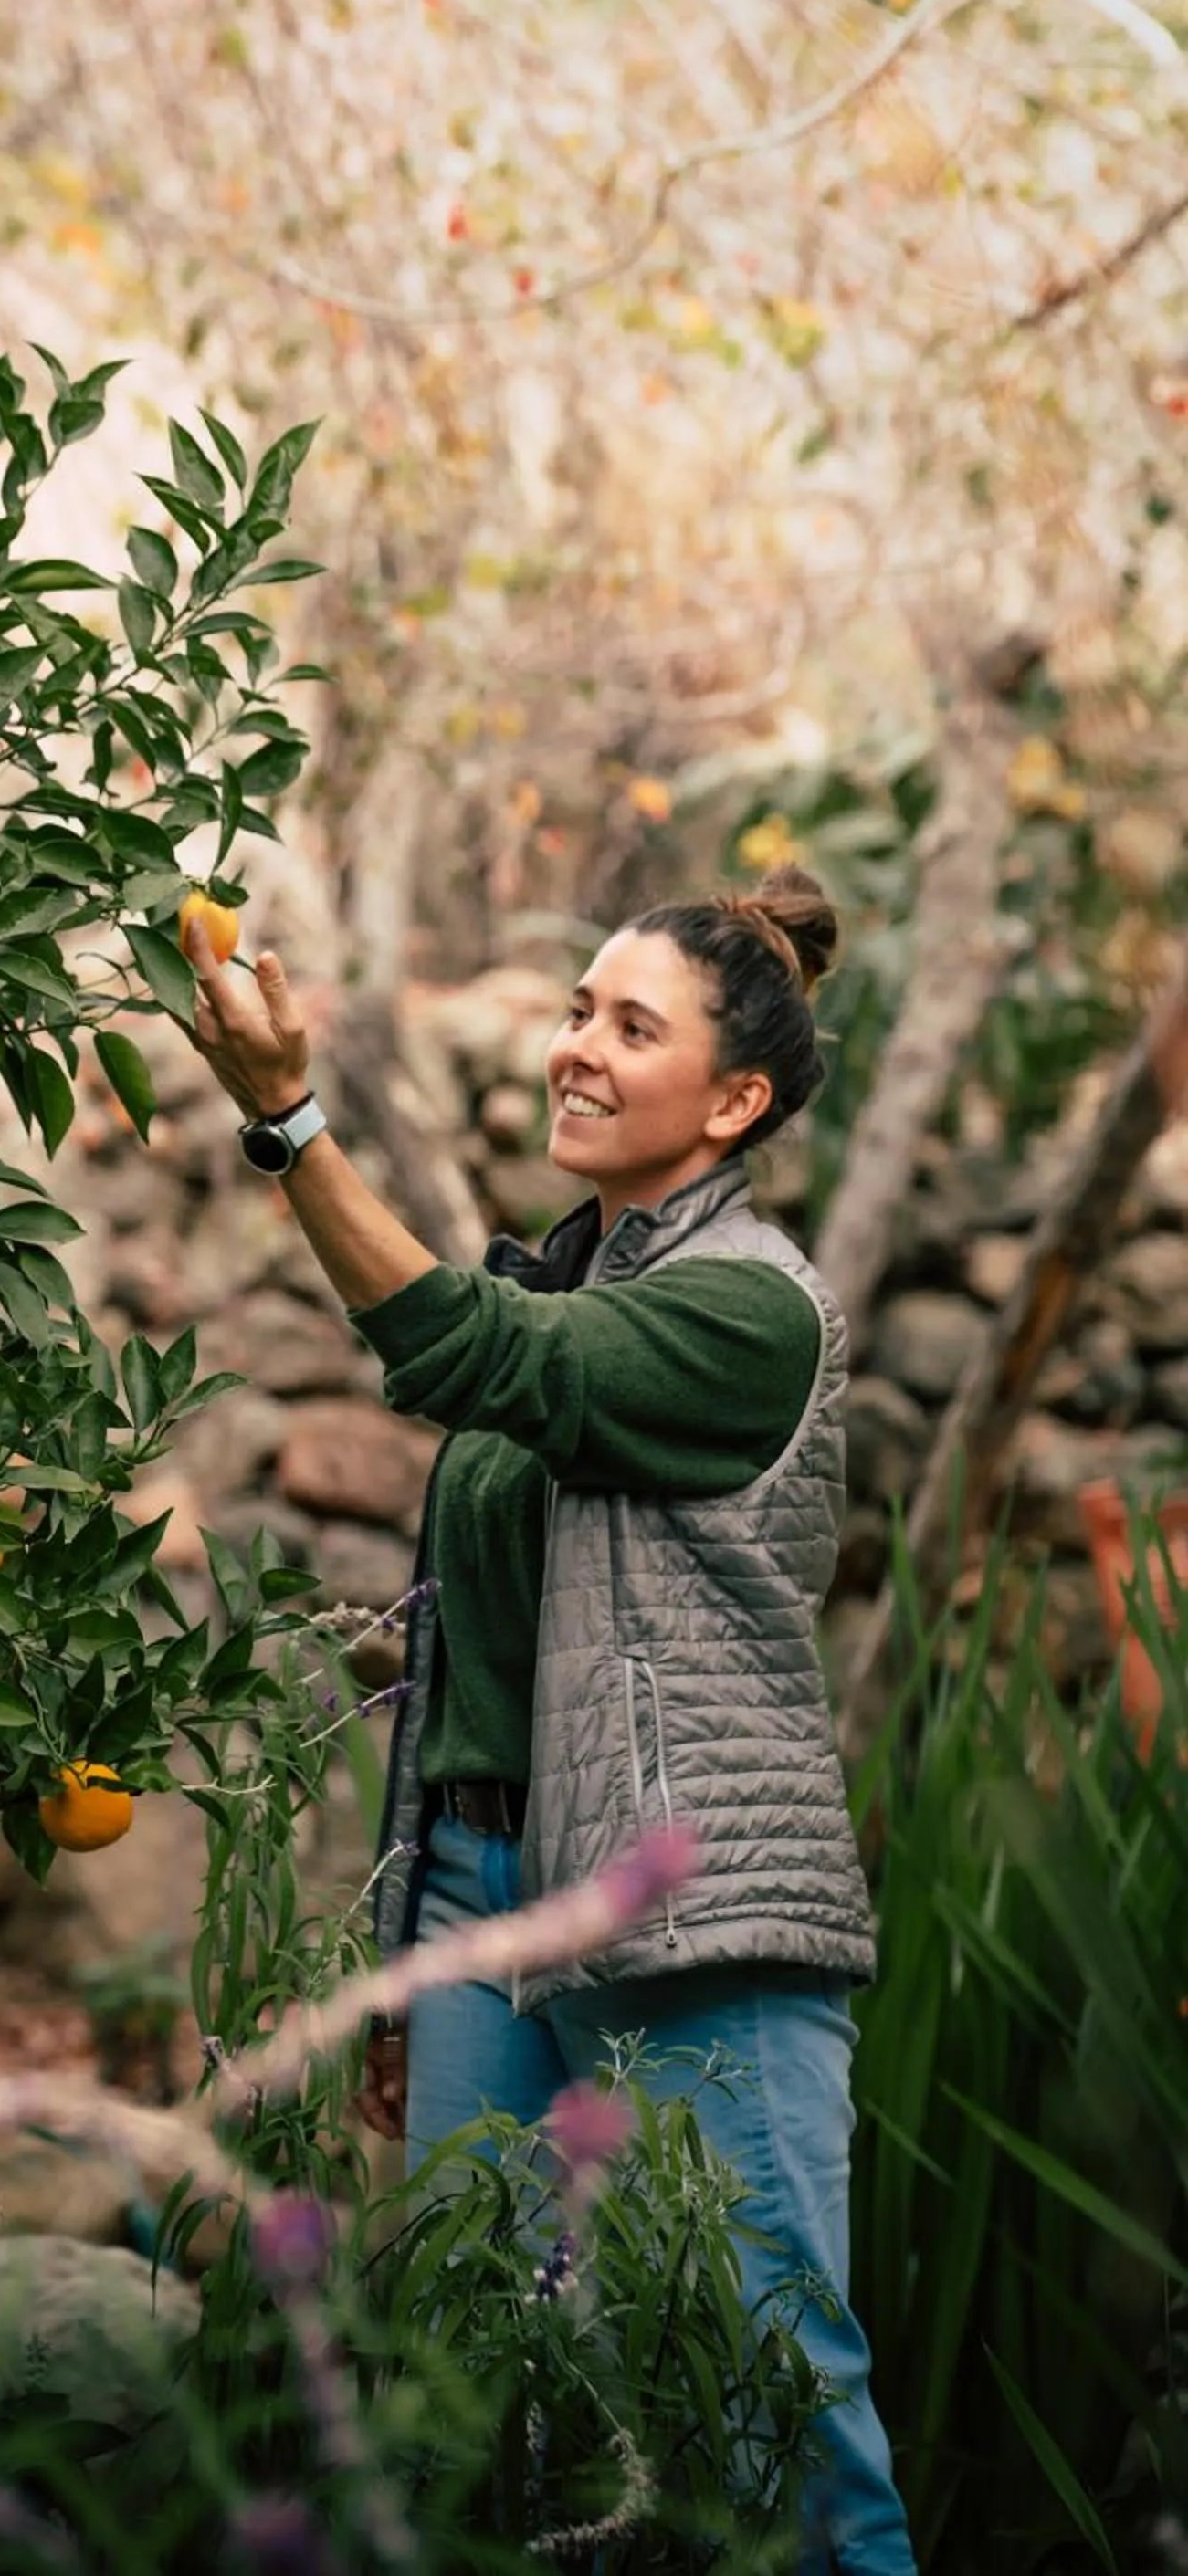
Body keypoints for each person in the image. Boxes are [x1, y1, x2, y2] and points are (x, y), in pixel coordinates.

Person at [184, 864, 915, 2576]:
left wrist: (290, 1122)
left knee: (774, 2413)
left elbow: (469, 1355)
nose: (576, 1049)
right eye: (580, 1009)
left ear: (735, 1102)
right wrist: (408, 1952)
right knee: (486, 2392)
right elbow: (465, 1668)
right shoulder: (580, 1294)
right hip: (482, 1911)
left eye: (630, 1026)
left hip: (683, 1914)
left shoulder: (749, 1308)